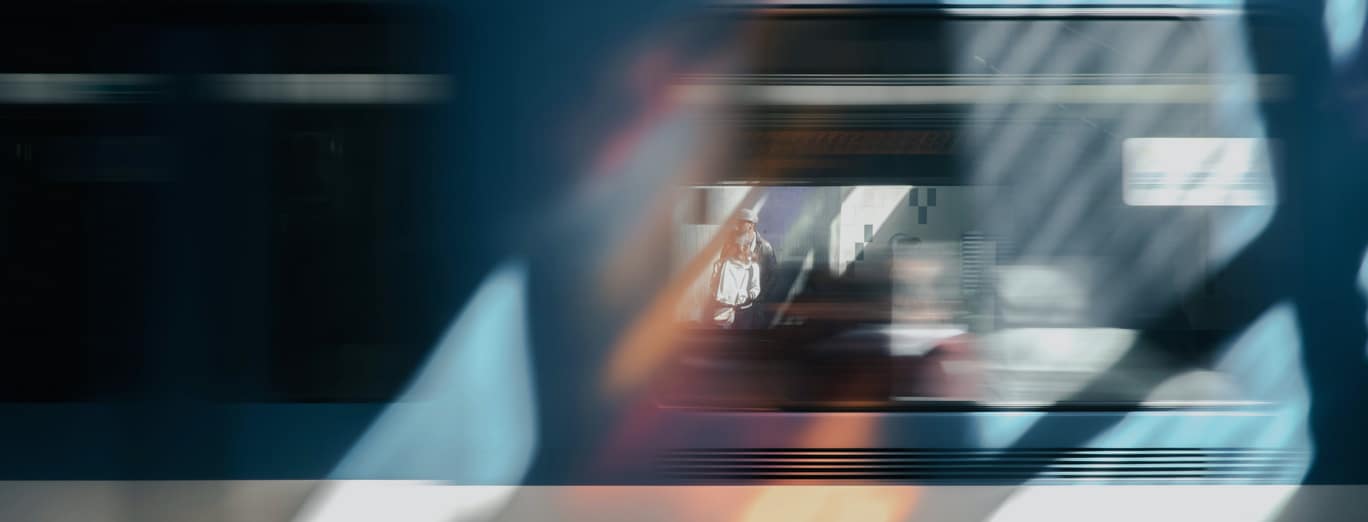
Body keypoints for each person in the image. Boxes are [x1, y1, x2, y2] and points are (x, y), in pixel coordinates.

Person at [708, 230, 761, 329]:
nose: (738, 249)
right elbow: (713, 285)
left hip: (744, 312)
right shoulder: (720, 264)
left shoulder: (753, 267)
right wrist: (723, 299)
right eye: (735, 245)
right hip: (722, 310)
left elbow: (755, 288)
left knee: (743, 342)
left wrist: (746, 297)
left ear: (747, 247)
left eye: (743, 245)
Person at [733, 208, 778, 324]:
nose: (737, 226)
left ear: (750, 225)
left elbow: (773, 276)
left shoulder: (765, 247)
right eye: (737, 222)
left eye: (740, 222)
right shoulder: (731, 246)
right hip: (736, 305)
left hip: (757, 306)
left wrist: (760, 296)